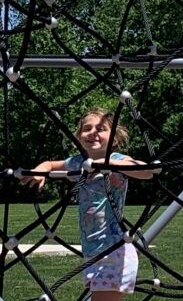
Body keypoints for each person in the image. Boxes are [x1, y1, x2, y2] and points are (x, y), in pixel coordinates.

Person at [22, 108, 155, 300]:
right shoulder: (78, 163)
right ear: (78, 137)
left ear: (115, 138)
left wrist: (108, 164)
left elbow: (147, 171)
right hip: (93, 250)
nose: (93, 132)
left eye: (100, 128)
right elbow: (51, 164)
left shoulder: (117, 159)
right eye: (87, 128)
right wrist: (40, 170)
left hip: (114, 250)